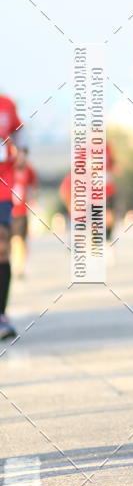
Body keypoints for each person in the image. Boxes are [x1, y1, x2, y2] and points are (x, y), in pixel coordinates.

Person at [0, 94, 25, 341]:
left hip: (2, 186)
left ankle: (1, 314)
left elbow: (19, 131)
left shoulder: (6, 104)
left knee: (2, 244)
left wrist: (23, 151)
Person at [10, 148, 38, 279]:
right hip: (7, 209)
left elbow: (34, 187)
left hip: (21, 211)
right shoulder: (8, 167)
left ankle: (18, 267)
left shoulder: (29, 170)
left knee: (19, 240)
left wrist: (31, 200)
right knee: (11, 240)